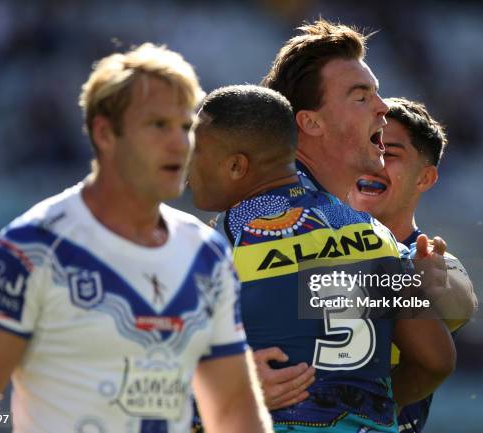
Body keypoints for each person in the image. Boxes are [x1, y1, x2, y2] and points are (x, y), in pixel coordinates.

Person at [0, 43, 272, 433]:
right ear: (105, 133)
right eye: (158, 125)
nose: (179, 144)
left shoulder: (207, 253)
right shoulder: (29, 252)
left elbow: (232, 411)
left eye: (185, 127)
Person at [188, 84, 455, 433]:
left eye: (196, 152)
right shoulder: (373, 233)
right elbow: (436, 360)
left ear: (237, 165)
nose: (186, 166)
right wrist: (373, 406)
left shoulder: (230, 234)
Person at [258, 18, 463, 424]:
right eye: (361, 96)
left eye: (377, 94)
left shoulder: (249, 216)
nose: (382, 107)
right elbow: (437, 357)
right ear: (310, 122)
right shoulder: (366, 240)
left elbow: (457, 305)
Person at [348, 97, 477, 433]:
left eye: (389, 153)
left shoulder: (425, 259)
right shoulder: (303, 244)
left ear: (425, 178)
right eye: (364, 145)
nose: (371, 160)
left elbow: (459, 299)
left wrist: (434, 287)